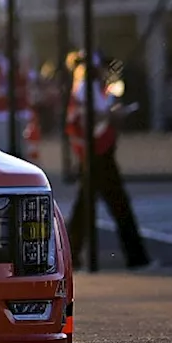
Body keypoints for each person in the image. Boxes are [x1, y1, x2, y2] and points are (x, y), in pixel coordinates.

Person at [64, 49, 152, 270]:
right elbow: (92, 117)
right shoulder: (86, 87)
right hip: (98, 152)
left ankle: (71, 255)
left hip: (99, 151)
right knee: (117, 206)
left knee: (85, 208)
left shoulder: (90, 87)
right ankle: (137, 257)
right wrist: (114, 115)